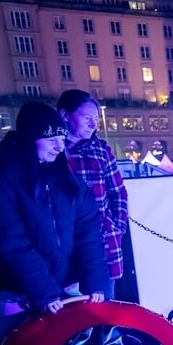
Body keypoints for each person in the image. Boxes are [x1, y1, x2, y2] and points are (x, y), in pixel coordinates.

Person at [0, 101, 109, 315]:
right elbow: (11, 244)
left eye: (62, 139)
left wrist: (95, 283)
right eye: (51, 139)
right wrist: (44, 292)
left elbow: (89, 234)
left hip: (66, 287)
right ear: (30, 139)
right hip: (21, 292)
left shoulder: (68, 180)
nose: (59, 146)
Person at [57, 90, 128, 301]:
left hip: (103, 242)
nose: (93, 124)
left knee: (104, 306)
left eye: (95, 118)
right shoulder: (54, 151)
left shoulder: (101, 150)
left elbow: (118, 192)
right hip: (65, 245)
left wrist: (118, 226)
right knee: (69, 313)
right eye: (86, 117)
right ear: (65, 115)